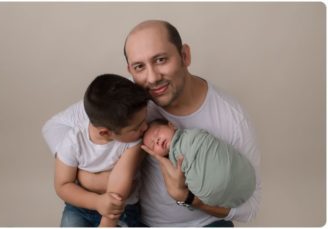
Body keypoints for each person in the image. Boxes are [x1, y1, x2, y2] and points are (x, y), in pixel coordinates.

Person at [93, 19, 262, 226]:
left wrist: (188, 198)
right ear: (130, 70)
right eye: (139, 67)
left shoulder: (232, 118)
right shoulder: (132, 106)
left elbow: (250, 207)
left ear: (185, 56)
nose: (152, 78)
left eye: (161, 60)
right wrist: (91, 180)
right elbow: (63, 127)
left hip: (205, 223)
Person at [42, 74, 149, 227]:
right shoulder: (74, 140)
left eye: (144, 120)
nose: (145, 127)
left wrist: (107, 223)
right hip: (80, 206)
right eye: (136, 127)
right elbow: (63, 185)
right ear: (105, 132)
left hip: (123, 209)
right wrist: (97, 202)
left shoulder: (133, 142)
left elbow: (119, 185)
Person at [140, 118, 256, 208]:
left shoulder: (191, 135)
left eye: (157, 133)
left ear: (171, 125)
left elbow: (207, 142)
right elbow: (180, 187)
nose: (157, 140)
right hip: (215, 194)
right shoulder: (172, 164)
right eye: (153, 145)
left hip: (238, 174)